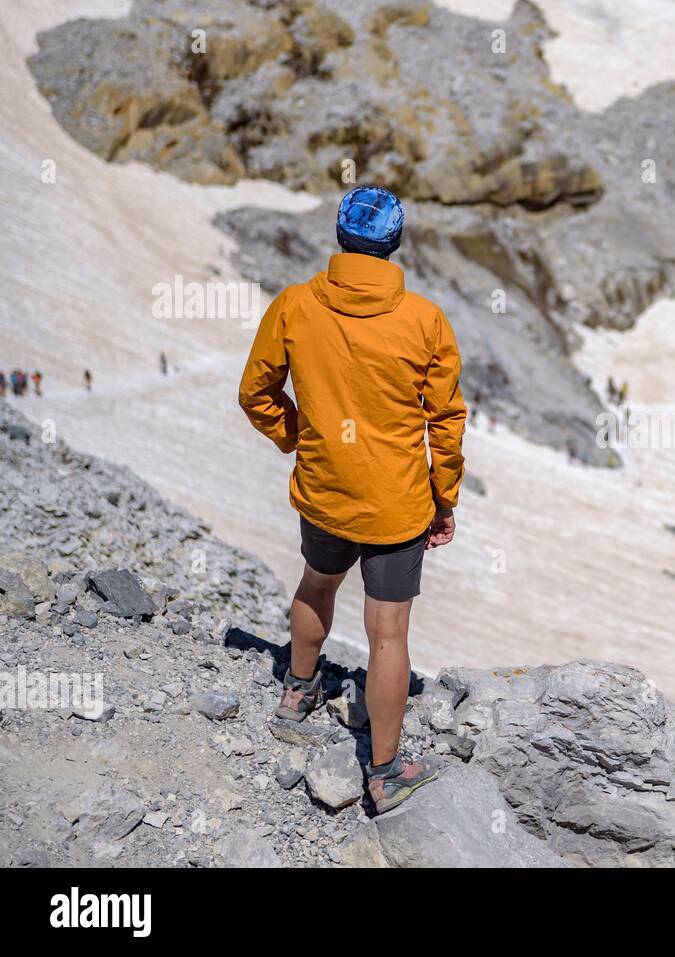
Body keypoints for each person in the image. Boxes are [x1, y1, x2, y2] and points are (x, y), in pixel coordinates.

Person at [238, 185, 465, 815]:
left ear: (340, 236)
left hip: (325, 489)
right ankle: (385, 773)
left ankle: (298, 691)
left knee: (316, 584)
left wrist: (301, 439)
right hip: (396, 502)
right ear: (394, 242)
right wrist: (443, 497)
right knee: (387, 633)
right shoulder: (424, 319)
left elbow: (256, 393)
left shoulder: (295, 304)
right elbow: (445, 419)